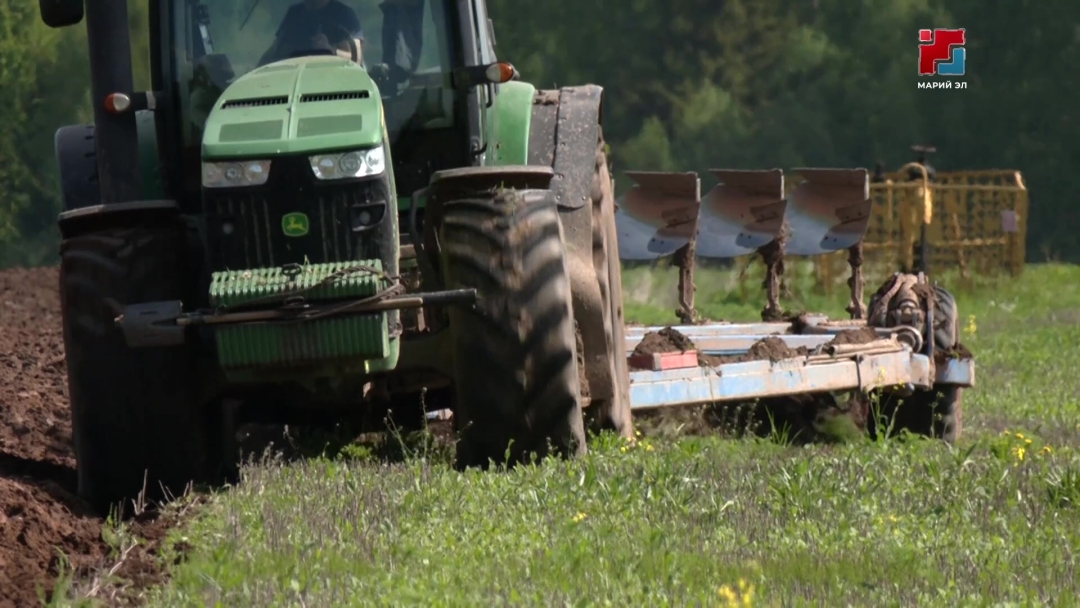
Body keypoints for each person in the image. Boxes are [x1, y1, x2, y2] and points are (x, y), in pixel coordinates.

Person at [259, 0, 365, 66]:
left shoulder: (344, 15)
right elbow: (275, 49)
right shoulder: (294, 13)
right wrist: (256, 71)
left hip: (335, 82)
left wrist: (329, 50)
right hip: (292, 76)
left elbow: (356, 59)